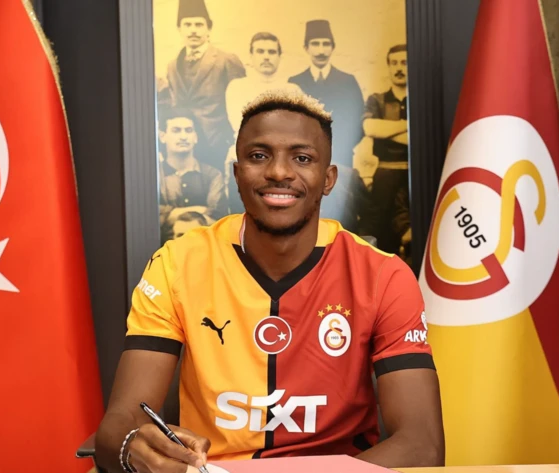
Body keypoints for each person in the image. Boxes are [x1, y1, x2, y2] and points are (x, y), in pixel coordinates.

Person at [95, 90, 444, 472]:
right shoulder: (177, 264)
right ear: (237, 174)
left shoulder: (383, 275)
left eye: (302, 158)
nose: (279, 172)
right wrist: (133, 447)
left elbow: (422, 445)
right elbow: (119, 424)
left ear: (328, 179)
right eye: (259, 156)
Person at [159, 0, 246, 173]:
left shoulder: (226, 61)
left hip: (218, 144)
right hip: (186, 146)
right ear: (179, 29)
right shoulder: (172, 66)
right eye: (187, 25)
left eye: (199, 25)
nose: (193, 30)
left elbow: (241, 104)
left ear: (209, 28)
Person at [224, 32, 303, 214]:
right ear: (251, 56)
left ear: (279, 56)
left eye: (271, 52)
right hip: (245, 158)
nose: (266, 57)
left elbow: (293, 131)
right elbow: (241, 125)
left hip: (282, 164)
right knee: (240, 214)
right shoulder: (237, 87)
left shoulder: (292, 89)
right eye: (260, 51)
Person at [288, 19, 364, 168]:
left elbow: (359, 123)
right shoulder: (294, 82)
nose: (321, 51)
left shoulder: (348, 82)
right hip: (302, 159)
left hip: (341, 157)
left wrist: (340, 146)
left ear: (333, 47)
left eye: (326, 44)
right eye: (315, 44)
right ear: (306, 48)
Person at [362, 44, 409, 255]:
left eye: (404, 63)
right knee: (381, 233)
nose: (399, 68)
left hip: (415, 176)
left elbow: (424, 137)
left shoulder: (420, 99)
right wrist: (408, 125)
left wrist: (387, 130)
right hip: (385, 175)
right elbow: (370, 128)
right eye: (394, 63)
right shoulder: (377, 100)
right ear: (388, 67)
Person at [158, 107, 228, 242]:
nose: (183, 136)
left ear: (195, 137)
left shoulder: (212, 175)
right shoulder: (155, 176)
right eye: (176, 130)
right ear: (162, 136)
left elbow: (218, 218)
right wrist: (200, 210)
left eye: (188, 130)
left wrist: (170, 214)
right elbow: (150, 216)